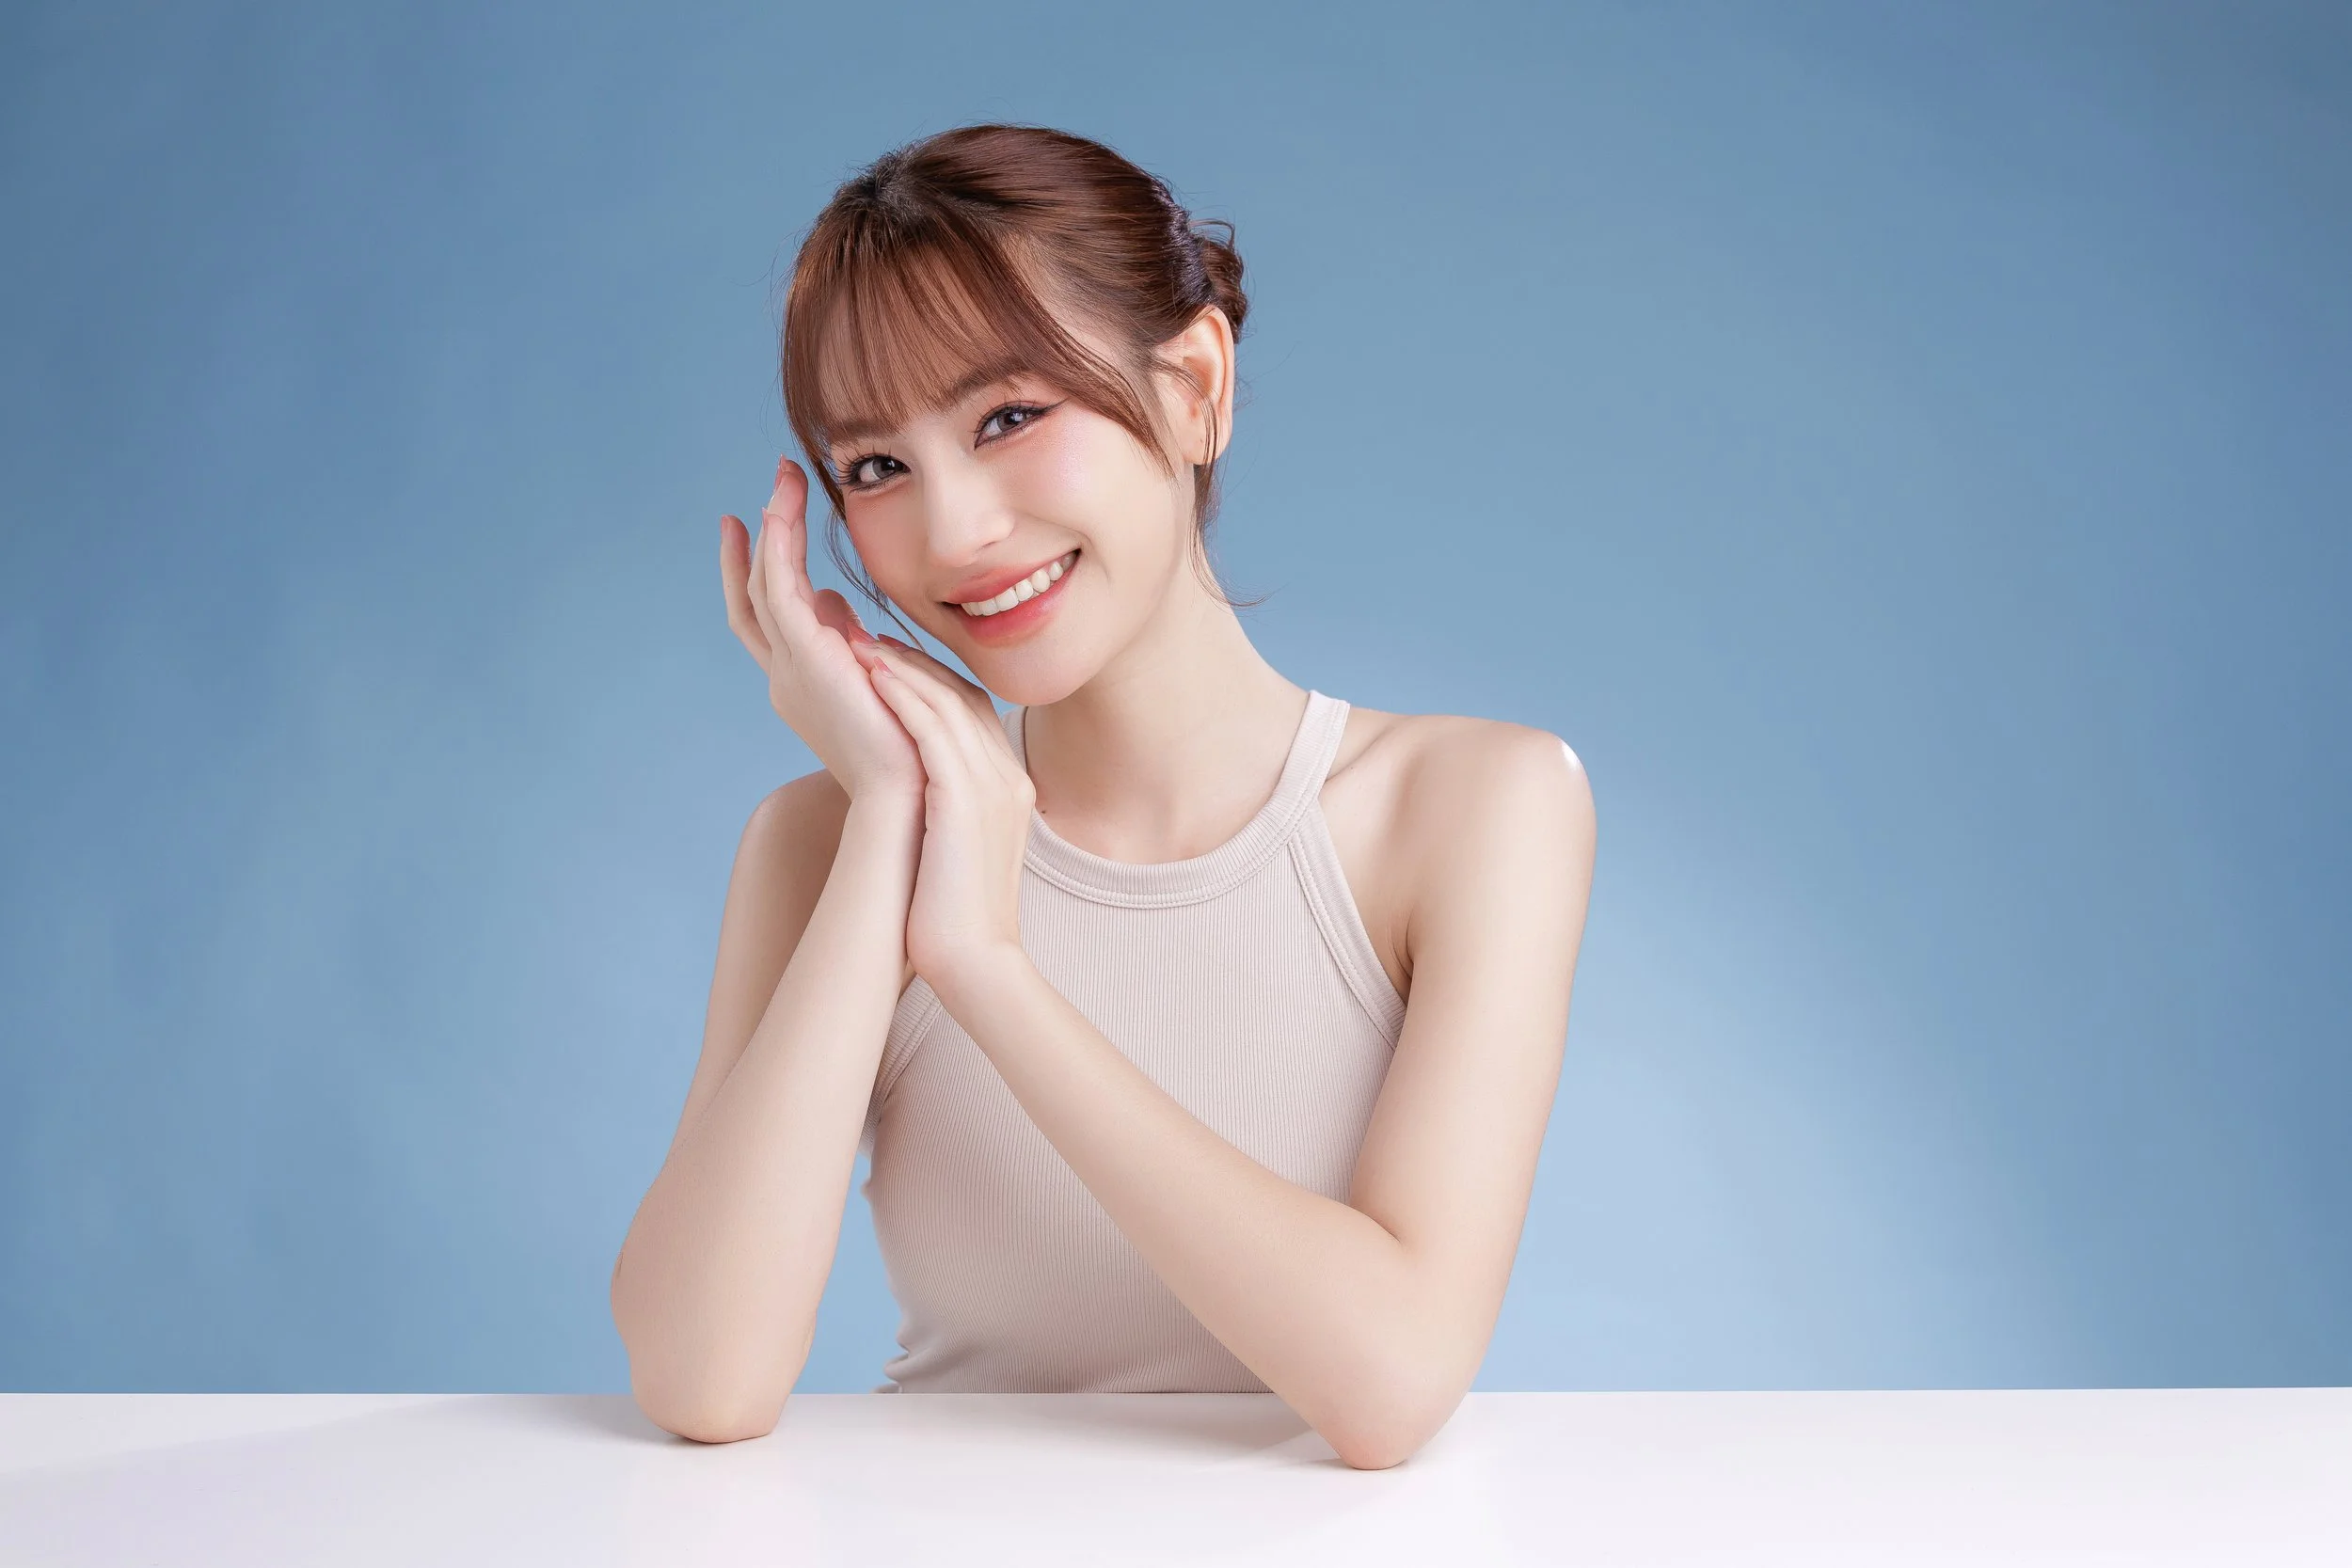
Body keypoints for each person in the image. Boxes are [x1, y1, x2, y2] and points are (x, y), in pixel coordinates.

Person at [609, 124, 1597, 1471]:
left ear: (1194, 386)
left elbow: (1391, 1380)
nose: (954, 532)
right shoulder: (824, 844)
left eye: (1009, 417)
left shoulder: (1473, 808)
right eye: (877, 467)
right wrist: (896, 812)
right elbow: (703, 1374)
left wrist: (984, 963)